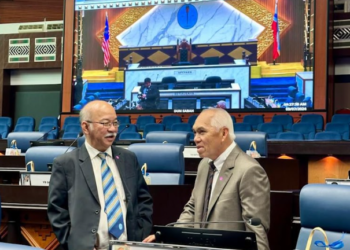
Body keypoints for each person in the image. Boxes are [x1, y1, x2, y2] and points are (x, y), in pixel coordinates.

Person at [143, 108, 270, 250]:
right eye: (195, 132)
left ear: (223, 133)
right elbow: (193, 208)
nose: (196, 138)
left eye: (202, 132)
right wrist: (167, 236)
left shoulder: (249, 170)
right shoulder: (205, 164)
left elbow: (256, 229)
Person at [48, 100, 153, 250]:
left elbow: (144, 200)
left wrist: (140, 235)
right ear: (86, 127)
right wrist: (74, 243)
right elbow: (57, 210)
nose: (112, 129)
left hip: (129, 246)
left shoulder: (128, 158)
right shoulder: (66, 164)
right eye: (105, 123)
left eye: (115, 123)